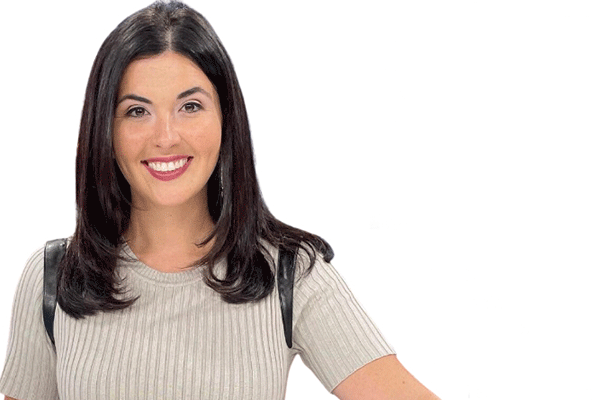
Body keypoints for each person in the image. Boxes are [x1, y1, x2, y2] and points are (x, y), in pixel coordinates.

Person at [0, 1, 439, 399]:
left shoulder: (290, 275)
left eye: (190, 106)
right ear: (105, 131)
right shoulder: (53, 279)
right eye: (137, 111)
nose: (166, 137)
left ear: (226, 119)